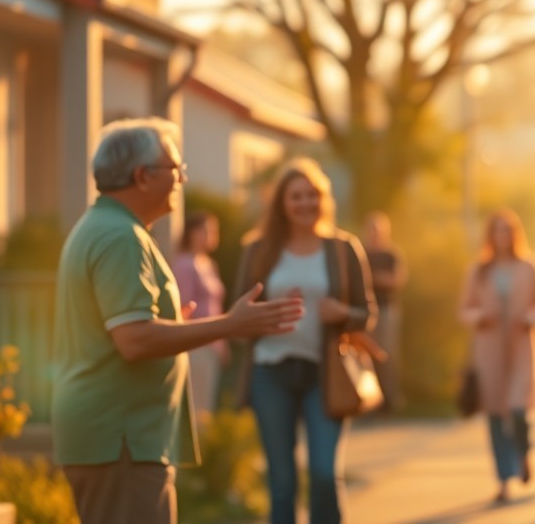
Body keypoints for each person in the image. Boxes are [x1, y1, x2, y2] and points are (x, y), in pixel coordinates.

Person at [52, 118, 304, 524]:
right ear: (142, 176)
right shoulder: (121, 238)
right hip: (121, 441)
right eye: (176, 169)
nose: (182, 179)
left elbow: (128, 328)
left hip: (118, 439)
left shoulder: (108, 228)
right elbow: (134, 341)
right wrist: (229, 324)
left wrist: (174, 324)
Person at [231, 158, 377, 524]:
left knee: (325, 474)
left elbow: (367, 313)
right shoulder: (258, 249)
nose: (305, 203)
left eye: (312, 195)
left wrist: (341, 313)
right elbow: (236, 317)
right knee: (281, 483)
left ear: (323, 199)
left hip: (325, 375)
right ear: (282, 202)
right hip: (271, 372)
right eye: (296, 196)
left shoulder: (343, 249)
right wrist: (265, 316)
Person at [459, 208, 535, 504]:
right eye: (497, 230)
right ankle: (504, 480)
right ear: (491, 236)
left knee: (519, 409)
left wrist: (533, 317)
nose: (502, 236)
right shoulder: (479, 270)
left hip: (521, 345)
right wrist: (481, 315)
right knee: (495, 414)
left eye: (507, 230)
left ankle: (524, 452)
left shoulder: (529, 267)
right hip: (490, 348)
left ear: (514, 235)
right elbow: (465, 310)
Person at [169, 210, 228, 417]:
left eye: (212, 230)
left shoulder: (209, 264)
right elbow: (183, 306)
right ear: (191, 233)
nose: (210, 235)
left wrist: (221, 341)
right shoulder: (185, 264)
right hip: (195, 342)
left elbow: (216, 306)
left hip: (212, 342)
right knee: (197, 406)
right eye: (205, 230)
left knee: (207, 405)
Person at [363, 211, 407, 411]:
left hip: (388, 310)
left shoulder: (392, 254)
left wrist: (374, 278)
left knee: (388, 354)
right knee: (366, 354)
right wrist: (378, 278)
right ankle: (369, 399)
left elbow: (396, 280)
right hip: (366, 310)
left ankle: (390, 399)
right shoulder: (362, 253)